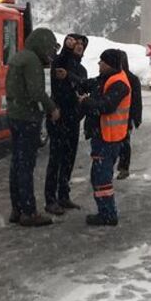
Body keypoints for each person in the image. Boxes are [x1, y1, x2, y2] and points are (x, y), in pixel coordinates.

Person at [6, 28, 61, 227]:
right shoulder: (32, 61)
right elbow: (37, 91)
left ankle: (17, 209)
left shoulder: (19, 57)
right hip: (27, 117)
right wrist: (52, 108)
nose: (50, 53)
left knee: (17, 163)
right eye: (49, 47)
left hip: (13, 114)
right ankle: (29, 212)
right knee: (26, 165)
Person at [79, 49, 131, 227]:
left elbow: (106, 106)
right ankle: (105, 212)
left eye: (102, 62)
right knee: (98, 177)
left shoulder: (119, 83)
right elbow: (90, 84)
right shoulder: (109, 78)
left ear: (110, 64)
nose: (99, 64)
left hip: (109, 137)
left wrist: (86, 102)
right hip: (104, 136)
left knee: (102, 179)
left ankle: (108, 214)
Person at [44, 33, 89, 215]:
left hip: (73, 119)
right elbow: (56, 83)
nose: (78, 46)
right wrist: (67, 48)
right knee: (55, 160)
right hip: (58, 118)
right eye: (75, 43)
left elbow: (85, 87)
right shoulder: (59, 62)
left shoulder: (81, 69)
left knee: (69, 159)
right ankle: (50, 199)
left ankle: (63, 195)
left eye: (81, 44)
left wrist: (81, 107)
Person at [116, 51, 143, 180]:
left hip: (126, 117)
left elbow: (137, 100)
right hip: (112, 116)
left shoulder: (131, 79)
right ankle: (115, 166)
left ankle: (123, 167)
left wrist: (136, 118)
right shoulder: (112, 76)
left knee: (124, 143)